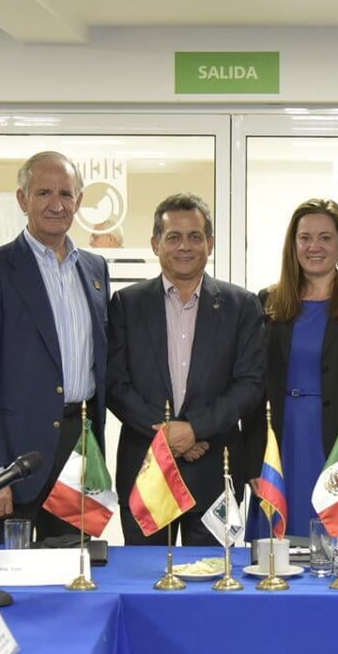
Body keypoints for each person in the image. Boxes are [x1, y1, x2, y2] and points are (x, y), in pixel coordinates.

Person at [0, 151, 109, 539]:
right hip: (15, 458)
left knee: (76, 565)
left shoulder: (95, 269)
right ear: (22, 199)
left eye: (66, 194)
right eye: (43, 193)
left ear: (79, 200)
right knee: (9, 569)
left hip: (80, 452)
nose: (57, 204)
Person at [108, 194, 265, 543]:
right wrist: (170, 437)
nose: (185, 246)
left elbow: (249, 385)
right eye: (173, 237)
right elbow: (115, 385)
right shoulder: (126, 304)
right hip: (147, 472)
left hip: (214, 472)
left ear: (210, 243)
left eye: (195, 237)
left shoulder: (241, 305)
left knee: (214, 573)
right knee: (146, 573)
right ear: (155, 244)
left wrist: (195, 429)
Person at [247, 199, 338, 546]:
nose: (314, 247)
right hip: (283, 444)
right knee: (281, 557)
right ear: (293, 244)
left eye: (325, 238)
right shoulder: (268, 301)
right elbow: (255, 389)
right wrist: (254, 461)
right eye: (305, 238)